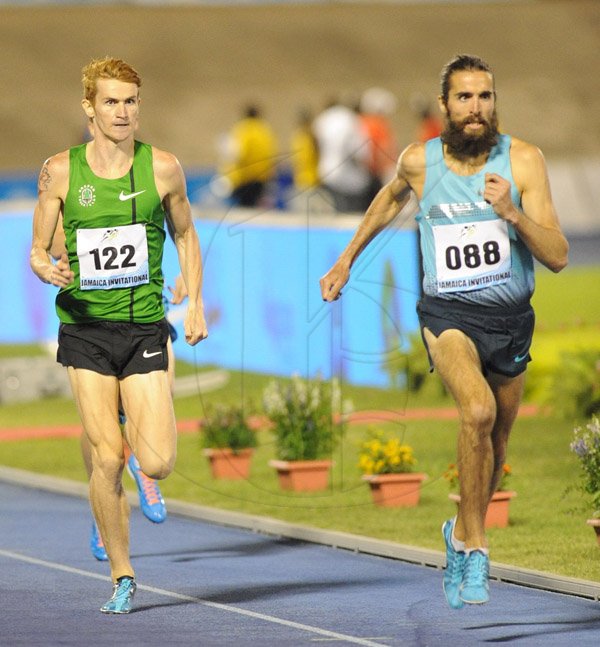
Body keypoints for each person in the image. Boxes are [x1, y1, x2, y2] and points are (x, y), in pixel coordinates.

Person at [320, 54, 568, 609]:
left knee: (496, 443)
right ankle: (478, 549)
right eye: (464, 97)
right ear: (444, 106)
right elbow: (388, 199)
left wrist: (513, 213)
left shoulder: (524, 161)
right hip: (448, 315)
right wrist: (346, 261)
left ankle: (457, 533)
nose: (476, 108)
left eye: (485, 97)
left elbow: (557, 256)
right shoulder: (419, 162)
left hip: (511, 321)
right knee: (476, 412)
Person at [30, 56, 208, 614]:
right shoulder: (59, 170)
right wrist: (44, 266)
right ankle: (122, 573)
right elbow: (38, 248)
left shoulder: (164, 169)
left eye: (130, 101)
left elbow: (186, 233)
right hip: (84, 328)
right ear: (89, 108)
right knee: (105, 456)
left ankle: (137, 456)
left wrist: (196, 299)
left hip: (143, 326)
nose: (123, 111)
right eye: (111, 101)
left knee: (155, 462)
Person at [313, 98, 372, 213]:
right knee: (350, 216)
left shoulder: (323, 119)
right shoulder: (351, 120)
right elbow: (358, 152)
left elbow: (314, 143)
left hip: (326, 174)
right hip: (349, 179)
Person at [220, 104, 278, 207]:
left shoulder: (242, 129)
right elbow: (271, 154)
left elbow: (237, 154)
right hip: (261, 177)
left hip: (244, 178)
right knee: (254, 206)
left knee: (244, 207)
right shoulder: (265, 130)